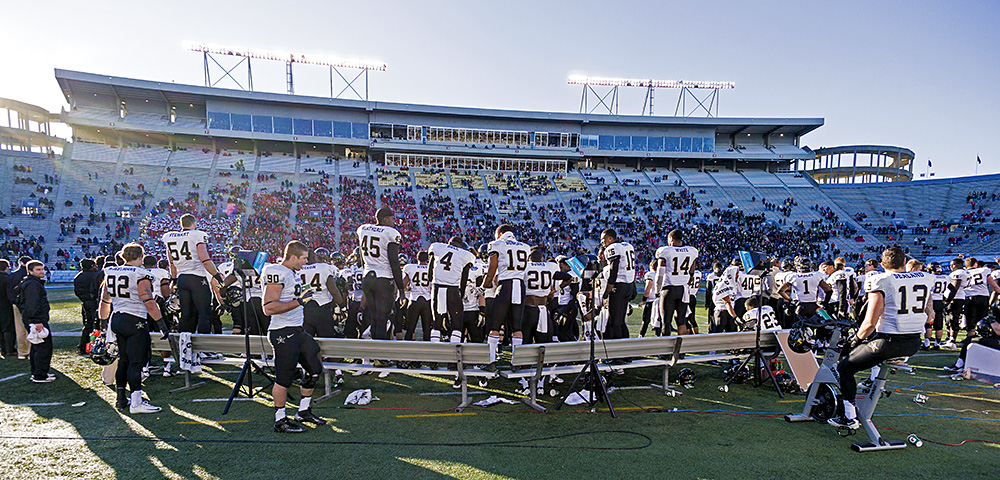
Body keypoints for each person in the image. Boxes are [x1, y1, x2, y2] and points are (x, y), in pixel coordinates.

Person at [828, 247, 932, 429]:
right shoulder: (924, 277)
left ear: (882, 264)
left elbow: (869, 322)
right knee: (872, 352)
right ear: (904, 262)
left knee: (845, 368)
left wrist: (854, 341)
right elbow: (929, 313)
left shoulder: (881, 279)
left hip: (889, 342)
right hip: (914, 342)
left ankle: (849, 417)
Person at [261, 241, 327, 433]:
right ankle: (280, 420)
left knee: (314, 369)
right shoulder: (277, 271)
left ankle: (304, 411)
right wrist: (299, 301)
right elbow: (268, 308)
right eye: (304, 258)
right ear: (293, 257)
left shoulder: (291, 273)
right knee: (283, 378)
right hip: (282, 331)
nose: (306, 262)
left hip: (297, 330)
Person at [99, 244, 166, 413]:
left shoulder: (111, 271)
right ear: (140, 257)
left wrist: (102, 322)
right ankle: (136, 402)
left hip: (117, 319)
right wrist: (161, 323)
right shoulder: (140, 274)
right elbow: (149, 301)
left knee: (124, 360)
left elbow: (104, 301)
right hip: (134, 320)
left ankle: (121, 399)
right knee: (136, 362)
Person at [162, 214, 226, 334]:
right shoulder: (197, 235)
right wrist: (217, 277)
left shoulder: (170, 236)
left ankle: (185, 346)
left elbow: (171, 262)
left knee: (186, 314)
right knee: (204, 313)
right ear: (194, 223)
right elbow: (205, 260)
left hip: (182, 278)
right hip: (197, 278)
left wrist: (174, 280)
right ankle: (203, 349)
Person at [482, 225, 531, 371]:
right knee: (517, 327)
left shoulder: (496, 244)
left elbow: (492, 270)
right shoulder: (525, 246)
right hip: (520, 286)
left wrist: (483, 286)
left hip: (506, 286)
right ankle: (516, 361)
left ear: (500, 233)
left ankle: (490, 361)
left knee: (495, 325)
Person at [357, 207, 404, 342]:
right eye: (392, 219)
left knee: (374, 317)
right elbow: (394, 262)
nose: (394, 222)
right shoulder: (390, 232)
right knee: (383, 318)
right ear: (385, 219)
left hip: (368, 277)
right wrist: (401, 289)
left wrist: (365, 267)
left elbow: (361, 254)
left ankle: (374, 354)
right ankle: (380, 356)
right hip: (383, 279)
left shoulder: (363, 228)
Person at [427, 237, 476, 346]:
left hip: (437, 288)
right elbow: (464, 278)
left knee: (436, 323)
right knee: (456, 323)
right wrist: (461, 294)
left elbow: (429, 275)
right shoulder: (465, 255)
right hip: (453, 290)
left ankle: (434, 357)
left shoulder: (437, 246)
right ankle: (454, 355)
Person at [656, 229, 698, 336]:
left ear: (671, 239)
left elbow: (660, 273)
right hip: (683, 289)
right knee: (681, 321)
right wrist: (690, 278)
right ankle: (681, 350)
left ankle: (666, 351)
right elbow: (692, 268)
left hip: (669, 288)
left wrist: (657, 290)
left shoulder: (666, 251)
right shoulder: (691, 250)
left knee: (666, 322)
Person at [300, 248, 345, 339]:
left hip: (304, 309)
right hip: (322, 309)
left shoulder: (298, 269)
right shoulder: (324, 267)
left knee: (306, 341)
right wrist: (342, 306)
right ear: (314, 257)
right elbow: (334, 291)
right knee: (327, 340)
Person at [20, 260, 52, 382]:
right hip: (36, 320)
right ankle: (40, 374)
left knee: (37, 347)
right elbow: (32, 305)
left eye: (42, 269)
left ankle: (38, 372)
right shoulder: (32, 284)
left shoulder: (33, 282)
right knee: (42, 348)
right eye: (38, 269)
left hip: (34, 319)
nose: (42, 271)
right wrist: (37, 320)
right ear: (31, 271)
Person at [601, 229, 635, 340]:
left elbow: (613, 270)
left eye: (603, 240)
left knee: (615, 321)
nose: (602, 242)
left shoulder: (612, 248)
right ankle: (626, 352)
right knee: (621, 321)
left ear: (610, 238)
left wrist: (607, 291)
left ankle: (618, 354)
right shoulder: (627, 246)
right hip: (628, 285)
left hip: (619, 286)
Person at [523, 248, 559, 345]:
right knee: (543, 341)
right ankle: (541, 360)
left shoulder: (525, 266)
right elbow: (567, 277)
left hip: (527, 307)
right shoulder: (550, 266)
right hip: (542, 307)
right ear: (542, 258)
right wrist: (554, 291)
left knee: (525, 340)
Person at [402, 251, 432, 342]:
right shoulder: (432, 269)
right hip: (427, 300)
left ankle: (407, 350)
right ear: (428, 260)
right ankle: (427, 352)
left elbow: (403, 285)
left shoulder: (410, 267)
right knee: (427, 330)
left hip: (414, 299)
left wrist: (408, 289)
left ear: (417, 258)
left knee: (410, 329)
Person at [73, 259, 100, 356]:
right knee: (96, 325)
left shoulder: (78, 276)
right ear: (92, 266)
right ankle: (94, 346)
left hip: (85, 302)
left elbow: (77, 292)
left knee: (88, 324)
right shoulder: (94, 275)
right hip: (94, 303)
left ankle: (83, 346)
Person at [943, 258, 971, 348]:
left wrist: (947, 301)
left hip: (956, 298)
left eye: (953, 265)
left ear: (959, 264)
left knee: (952, 319)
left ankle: (952, 340)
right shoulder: (966, 272)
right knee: (951, 319)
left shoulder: (958, 273)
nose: (951, 267)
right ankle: (949, 338)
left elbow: (955, 287)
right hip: (961, 296)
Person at [8, 256, 31, 359]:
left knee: (20, 329)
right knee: (31, 328)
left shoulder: (13, 276)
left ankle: (22, 352)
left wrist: (14, 302)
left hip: (16, 304)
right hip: (29, 304)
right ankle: (31, 351)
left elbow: (9, 291)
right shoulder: (30, 274)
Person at [0, 260, 15, 357]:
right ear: (6, 267)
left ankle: (3, 349)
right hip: (5, 305)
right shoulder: (8, 278)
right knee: (8, 328)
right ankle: (9, 349)